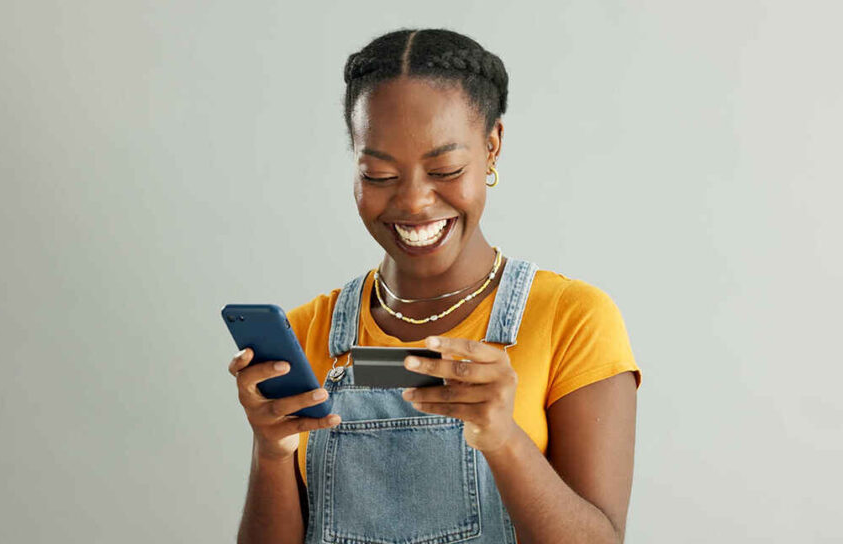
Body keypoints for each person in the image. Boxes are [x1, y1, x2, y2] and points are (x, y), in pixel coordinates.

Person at [228, 28, 642, 544]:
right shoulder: (304, 332)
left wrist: (504, 439)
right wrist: (272, 450)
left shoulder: (572, 318)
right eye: (379, 175)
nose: (415, 202)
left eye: (444, 168)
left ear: (492, 147)